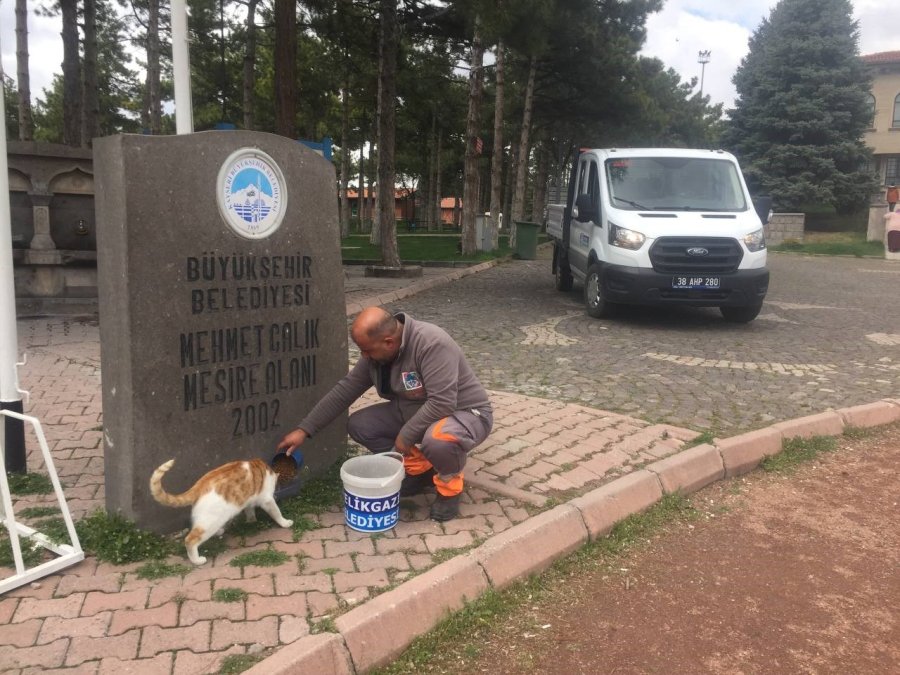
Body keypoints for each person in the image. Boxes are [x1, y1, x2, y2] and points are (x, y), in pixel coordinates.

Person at [276, 306, 493, 522]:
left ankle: (449, 489)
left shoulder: (431, 343)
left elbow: (442, 403)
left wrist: (405, 437)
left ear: (388, 342)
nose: (363, 356)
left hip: (465, 414)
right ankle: (420, 472)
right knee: (361, 425)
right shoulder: (378, 354)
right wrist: (305, 429)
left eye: (367, 350)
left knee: (438, 440)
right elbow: (345, 390)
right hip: (415, 410)